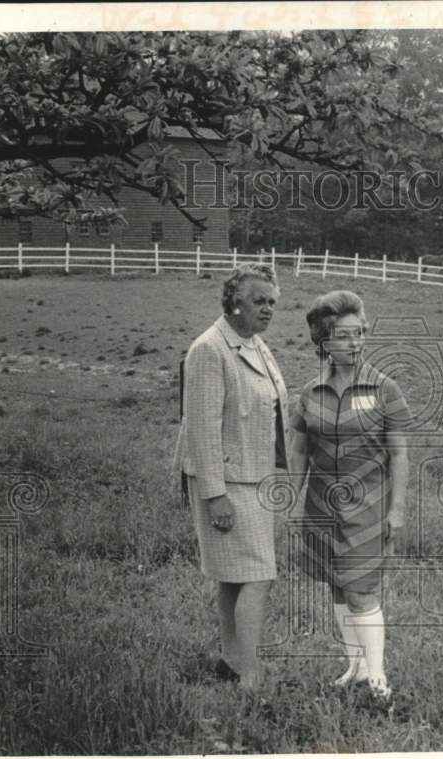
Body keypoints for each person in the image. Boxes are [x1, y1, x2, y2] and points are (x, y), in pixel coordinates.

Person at [287, 290, 410, 699]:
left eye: (360, 334)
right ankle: (355, 667)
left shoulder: (384, 388)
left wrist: (397, 510)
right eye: (344, 335)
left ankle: (378, 679)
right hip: (321, 507)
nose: (355, 343)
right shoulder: (310, 392)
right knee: (337, 587)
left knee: (360, 590)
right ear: (323, 341)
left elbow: (399, 452)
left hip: (369, 508)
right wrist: (292, 500)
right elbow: (301, 450)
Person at [173, 263, 290, 690]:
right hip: (227, 482)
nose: (267, 310)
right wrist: (214, 495)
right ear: (234, 302)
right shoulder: (209, 349)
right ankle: (251, 673)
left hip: (255, 477)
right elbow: (201, 428)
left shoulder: (254, 344)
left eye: (272, 302)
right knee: (258, 575)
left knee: (234, 576)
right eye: (259, 301)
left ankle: (230, 661)